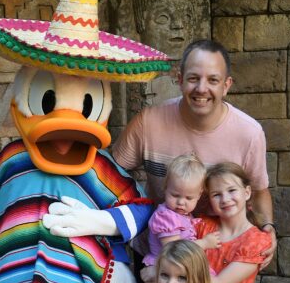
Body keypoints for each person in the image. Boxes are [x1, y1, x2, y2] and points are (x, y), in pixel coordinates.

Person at [111, 39, 277, 266]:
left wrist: (268, 227)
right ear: (179, 80)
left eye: (213, 80)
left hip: (218, 250)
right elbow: (108, 176)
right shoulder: (148, 122)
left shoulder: (248, 133)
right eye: (193, 78)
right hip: (158, 253)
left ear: (226, 85)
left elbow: (258, 192)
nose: (201, 88)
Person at [140, 154, 262, 283]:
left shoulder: (187, 218)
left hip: (181, 272)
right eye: (175, 195)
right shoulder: (165, 217)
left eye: (188, 198)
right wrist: (204, 244)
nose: (180, 202)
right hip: (170, 271)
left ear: (199, 197)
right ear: (165, 189)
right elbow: (175, 250)